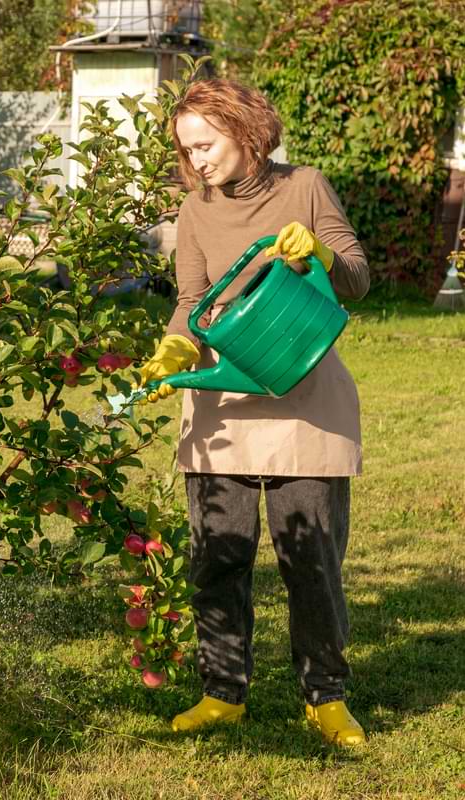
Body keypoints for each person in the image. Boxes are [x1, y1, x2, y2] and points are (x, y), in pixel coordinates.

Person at [135, 78, 370, 746]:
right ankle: (221, 693)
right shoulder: (194, 211)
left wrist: (318, 253)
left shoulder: (307, 187)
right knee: (217, 557)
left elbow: (356, 277)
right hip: (221, 401)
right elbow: (192, 299)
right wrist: (172, 344)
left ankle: (325, 696)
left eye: (205, 144)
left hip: (303, 398)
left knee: (313, 562)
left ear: (244, 128)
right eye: (187, 150)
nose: (197, 160)